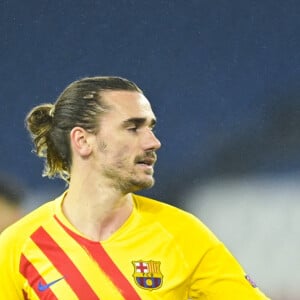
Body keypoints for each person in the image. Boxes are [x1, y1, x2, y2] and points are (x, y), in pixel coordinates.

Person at [0, 76, 270, 299]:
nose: (153, 142)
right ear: (82, 141)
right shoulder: (17, 246)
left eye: (151, 127)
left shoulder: (182, 233)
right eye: (133, 128)